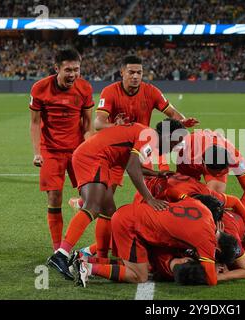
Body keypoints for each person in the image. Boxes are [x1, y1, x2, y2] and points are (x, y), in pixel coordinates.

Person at [69, 55, 199, 256]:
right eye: (131, 72)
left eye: (139, 72)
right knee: (104, 204)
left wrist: (182, 122)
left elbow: (172, 113)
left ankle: (101, 250)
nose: (135, 76)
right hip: (110, 152)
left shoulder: (151, 91)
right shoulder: (110, 91)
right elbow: (98, 123)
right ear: (122, 73)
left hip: (136, 151)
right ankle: (92, 250)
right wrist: (117, 126)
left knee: (107, 205)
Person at [47, 119, 188, 280]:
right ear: (169, 136)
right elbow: (132, 168)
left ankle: (100, 257)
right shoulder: (151, 137)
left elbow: (132, 164)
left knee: (109, 212)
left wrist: (156, 174)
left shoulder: (148, 135)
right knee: (93, 207)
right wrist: (149, 198)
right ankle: (61, 255)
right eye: (177, 141)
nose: (175, 147)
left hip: (98, 158)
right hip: (94, 157)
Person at [73, 195, 240, 287]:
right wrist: (225, 274)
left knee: (139, 264)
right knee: (140, 276)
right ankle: (88, 268)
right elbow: (211, 280)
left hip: (133, 213)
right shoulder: (207, 241)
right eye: (215, 256)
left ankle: (85, 259)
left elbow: (187, 199)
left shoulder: (205, 211)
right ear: (217, 250)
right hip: (131, 226)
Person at [29, 48, 94, 252]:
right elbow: (34, 122)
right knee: (54, 196)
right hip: (51, 150)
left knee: (92, 196)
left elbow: (88, 123)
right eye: (68, 70)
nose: (73, 74)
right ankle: (58, 248)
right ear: (56, 68)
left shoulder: (84, 88)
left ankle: (80, 202)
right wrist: (37, 152)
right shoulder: (40, 88)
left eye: (76, 69)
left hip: (77, 149)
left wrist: (90, 149)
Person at [176, 129, 245, 207]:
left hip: (210, 149)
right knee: (184, 191)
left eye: (221, 172)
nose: (217, 175)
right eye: (213, 173)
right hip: (193, 153)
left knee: (215, 199)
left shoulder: (236, 159)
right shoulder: (188, 154)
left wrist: (238, 211)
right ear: (204, 164)